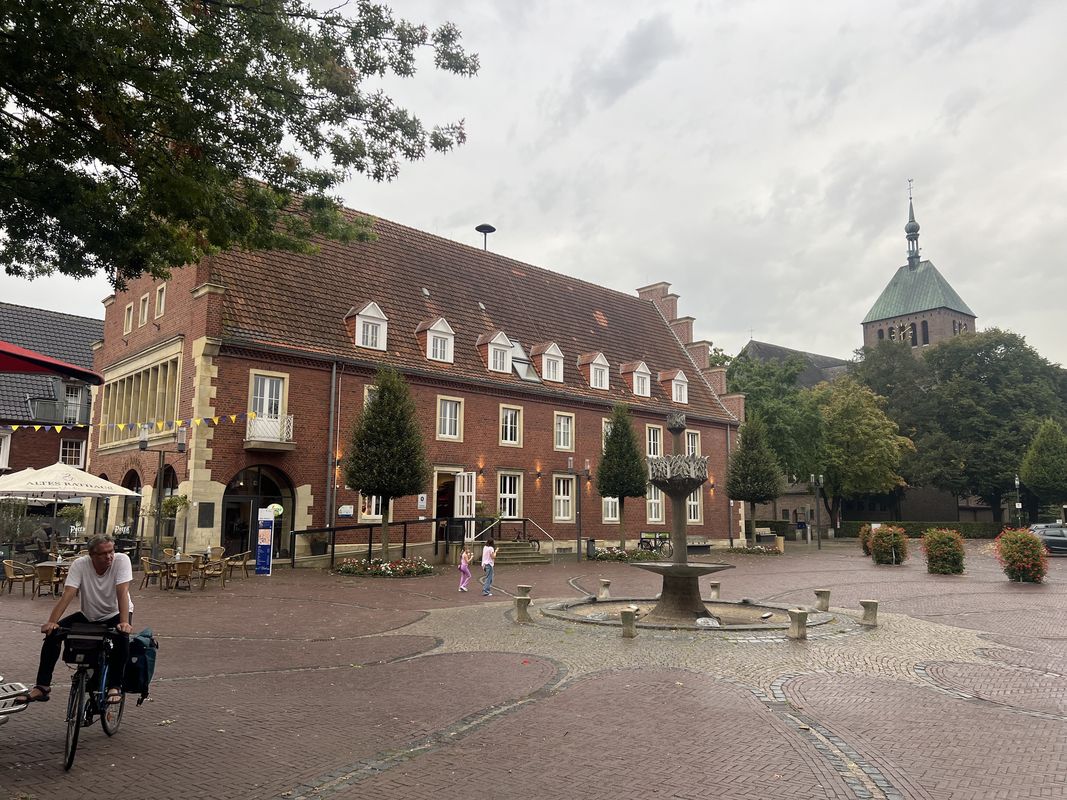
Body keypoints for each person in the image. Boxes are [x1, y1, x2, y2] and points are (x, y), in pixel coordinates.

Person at [15, 533, 134, 705]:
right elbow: (68, 594)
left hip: (116, 613)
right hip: (89, 615)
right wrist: (52, 622)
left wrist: (124, 622)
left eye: (111, 551)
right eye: (103, 553)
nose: (109, 556)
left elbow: (121, 592)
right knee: (53, 635)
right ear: (92, 555)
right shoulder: (80, 564)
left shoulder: (121, 560)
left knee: (122, 638)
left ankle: (115, 686)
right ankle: (42, 686)